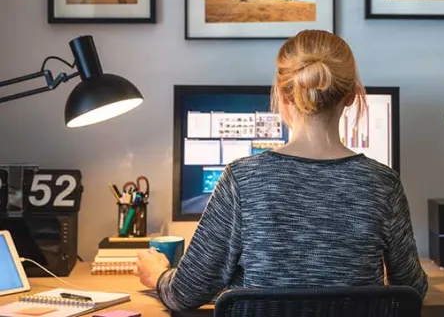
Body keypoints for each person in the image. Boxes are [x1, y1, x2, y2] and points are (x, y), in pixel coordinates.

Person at [135, 30, 428, 311]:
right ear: (351, 95)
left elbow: (186, 293)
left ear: (283, 95)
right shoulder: (383, 183)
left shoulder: (242, 179)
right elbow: (411, 288)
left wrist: (158, 275)